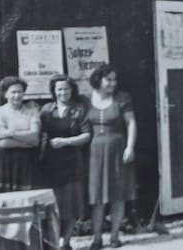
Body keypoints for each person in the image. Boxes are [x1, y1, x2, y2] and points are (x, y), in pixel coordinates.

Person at [86, 64, 137, 250]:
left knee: (118, 195)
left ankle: (115, 237)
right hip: (94, 154)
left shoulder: (122, 98)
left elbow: (131, 123)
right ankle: (97, 238)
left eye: (115, 80)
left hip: (118, 151)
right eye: (109, 79)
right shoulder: (86, 99)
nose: (112, 83)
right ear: (98, 80)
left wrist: (130, 147)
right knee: (97, 197)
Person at [39, 74, 92, 250]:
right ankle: (52, 241)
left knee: (70, 206)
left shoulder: (79, 109)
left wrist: (66, 142)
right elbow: (38, 132)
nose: (63, 92)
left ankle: (66, 243)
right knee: (53, 205)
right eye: (59, 89)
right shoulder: (47, 110)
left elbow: (87, 135)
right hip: (50, 163)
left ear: (72, 90)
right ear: (54, 91)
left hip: (72, 161)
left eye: (66, 89)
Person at [0, 76, 41, 192]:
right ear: (5, 94)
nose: (17, 96)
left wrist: (10, 133)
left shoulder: (32, 112)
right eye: (13, 92)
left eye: (20, 92)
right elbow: (3, 142)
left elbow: (35, 138)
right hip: (5, 162)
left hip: (27, 161)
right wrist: (28, 141)